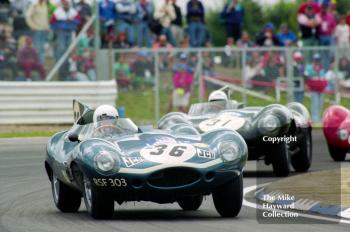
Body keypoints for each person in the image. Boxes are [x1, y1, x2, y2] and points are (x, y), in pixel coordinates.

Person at [25, 0, 50, 65]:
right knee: (37, 48)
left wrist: (47, 27)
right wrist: (32, 26)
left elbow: (46, 18)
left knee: (42, 48)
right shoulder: (34, 6)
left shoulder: (45, 6)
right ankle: (38, 64)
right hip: (37, 30)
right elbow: (27, 16)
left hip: (44, 30)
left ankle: (41, 64)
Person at [304, 53, 327, 122]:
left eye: (318, 60)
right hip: (314, 89)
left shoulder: (322, 68)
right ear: (313, 60)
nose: (317, 61)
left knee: (320, 104)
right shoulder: (309, 67)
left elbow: (323, 78)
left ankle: (318, 118)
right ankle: (314, 119)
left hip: (321, 89)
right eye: (315, 60)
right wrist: (306, 84)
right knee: (315, 104)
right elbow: (306, 76)